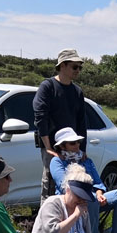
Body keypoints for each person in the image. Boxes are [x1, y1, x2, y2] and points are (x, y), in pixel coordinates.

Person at [48, 127, 117, 233]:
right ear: (62, 146)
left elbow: (98, 182)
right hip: (71, 200)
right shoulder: (57, 161)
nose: (77, 145)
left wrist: (99, 194)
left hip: (92, 197)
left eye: (78, 142)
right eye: (72, 143)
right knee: (92, 199)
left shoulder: (86, 160)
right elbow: (64, 186)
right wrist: (91, 196)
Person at [33, 49, 87, 199]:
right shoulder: (48, 86)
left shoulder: (77, 92)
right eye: (74, 67)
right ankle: (48, 214)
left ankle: (70, 214)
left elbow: (81, 122)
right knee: (51, 184)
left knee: (73, 183)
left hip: (73, 147)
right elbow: (40, 116)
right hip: (53, 147)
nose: (78, 70)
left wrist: (82, 149)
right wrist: (48, 147)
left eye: (80, 67)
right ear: (62, 65)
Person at [28, 163, 102, 233]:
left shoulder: (82, 210)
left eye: (84, 197)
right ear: (68, 189)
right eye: (78, 196)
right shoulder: (53, 203)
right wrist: (75, 215)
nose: (81, 200)